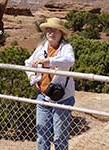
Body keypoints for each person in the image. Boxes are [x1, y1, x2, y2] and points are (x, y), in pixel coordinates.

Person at [25, 17, 75, 150]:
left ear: (61, 33)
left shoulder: (66, 48)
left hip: (62, 99)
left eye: (55, 31)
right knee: (42, 135)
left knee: (59, 138)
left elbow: (69, 61)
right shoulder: (42, 47)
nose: (51, 33)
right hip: (43, 96)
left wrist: (49, 61)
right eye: (48, 30)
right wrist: (33, 78)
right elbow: (28, 63)